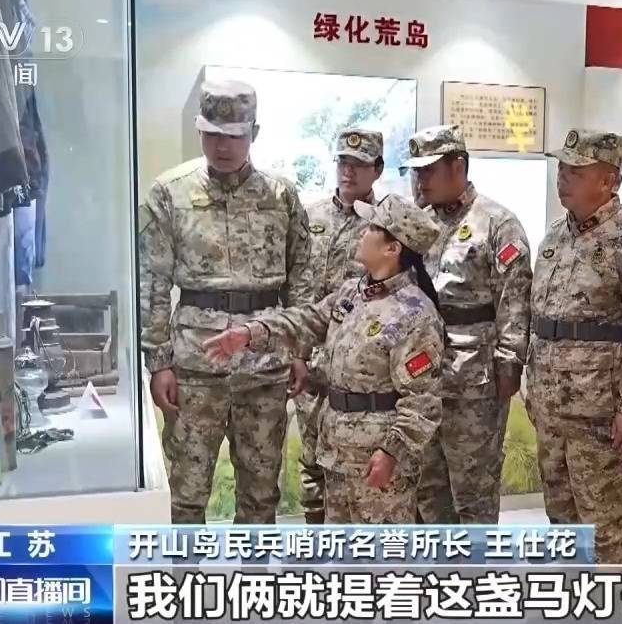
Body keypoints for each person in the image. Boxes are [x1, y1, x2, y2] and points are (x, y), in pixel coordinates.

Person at [202, 194, 445, 524]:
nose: (362, 232)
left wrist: (391, 452)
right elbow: (305, 322)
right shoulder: (352, 292)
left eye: (371, 228)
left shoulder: (415, 314)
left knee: (381, 552)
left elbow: (422, 401)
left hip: (376, 459)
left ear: (392, 248)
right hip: (338, 452)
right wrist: (250, 333)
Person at [138, 79, 311, 524]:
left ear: (255, 133)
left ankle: (254, 570)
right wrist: (158, 363)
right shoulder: (169, 194)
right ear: (199, 130)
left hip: (265, 363)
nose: (222, 145)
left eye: (234, 135)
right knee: (187, 494)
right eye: (213, 133)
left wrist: (299, 351)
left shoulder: (281, 196)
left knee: (261, 493)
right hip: (196, 366)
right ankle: (186, 571)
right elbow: (152, 282)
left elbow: (301, 278)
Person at [530, 129, 622, 564]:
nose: (562, 178)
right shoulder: (554, 238)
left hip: (601, 416)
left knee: (603, 529)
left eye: (576, 171)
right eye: (561, 168)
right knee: (562, 523)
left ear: (609, 181)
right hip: (551, 411)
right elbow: (541, 323)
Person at [403, 125, 533, 525]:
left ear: (457, 166)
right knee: (428, 489)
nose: (421, 180)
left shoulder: (497, 223)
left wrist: (509, 363)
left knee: (474, 492)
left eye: (429, 170)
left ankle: (475, 566)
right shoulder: (418, 224)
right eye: (416, 171)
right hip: (423, 375)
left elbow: (514, 299)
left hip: (475, 378)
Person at [292, 128, 385, 524]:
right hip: (312, 363)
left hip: (360, 369)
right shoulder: (309, 216)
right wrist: (295, 353)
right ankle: (318, 544)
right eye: (343, 163)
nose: (348, 172)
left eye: (359, 164)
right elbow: (295, 288)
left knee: (357, 468)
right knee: (311, 461)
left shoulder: (384, 225)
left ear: (377, 169)